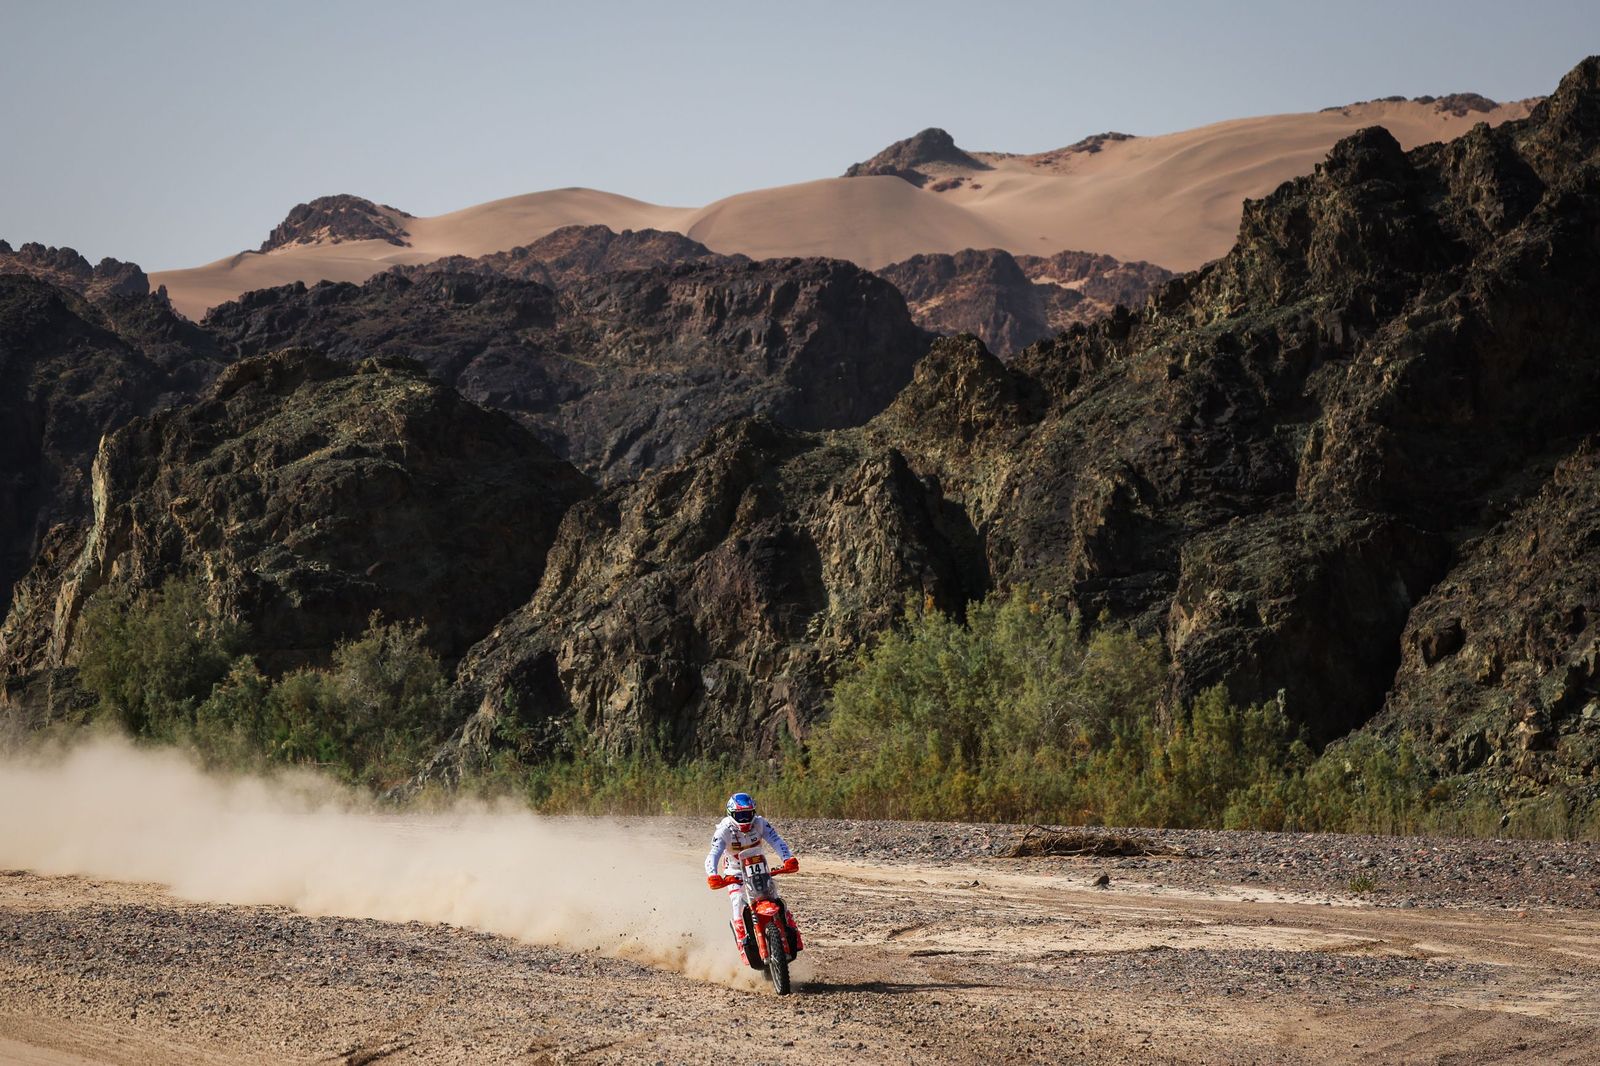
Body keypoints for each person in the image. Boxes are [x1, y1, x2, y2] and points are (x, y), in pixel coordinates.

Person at [704, 792, 802, 961]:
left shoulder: (760, 823)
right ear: (731, 814)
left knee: (776, 900)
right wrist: (712, 875)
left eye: (748, 814)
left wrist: (788, 859)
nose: (745, 819)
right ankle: (743, 946)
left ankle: (793, 935)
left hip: (759, 868)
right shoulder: (723, 830)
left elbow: (777, 841)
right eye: (740, 815)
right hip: (734, 873)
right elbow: (713, 855)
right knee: (737, 904)